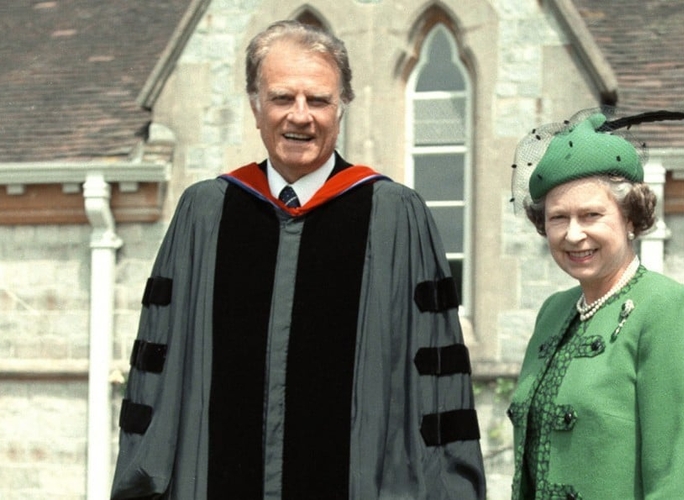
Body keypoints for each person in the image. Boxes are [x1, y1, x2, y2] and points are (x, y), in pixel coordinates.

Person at [111, 20, 485, 500]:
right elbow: (156, 377)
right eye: (283, 98)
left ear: (341, 108)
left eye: (319, 100)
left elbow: (437, 385)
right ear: (255, 107)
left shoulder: (395, 217)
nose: (300, 116)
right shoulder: (204, 214)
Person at [506, 109, 684, 499]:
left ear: (630, 218)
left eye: (591, 215)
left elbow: (679, 482)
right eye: (558, 218)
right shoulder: (553, 312)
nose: (573, 234)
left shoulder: (672, 309)